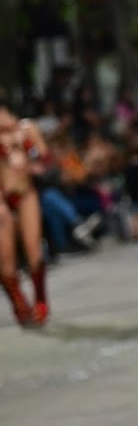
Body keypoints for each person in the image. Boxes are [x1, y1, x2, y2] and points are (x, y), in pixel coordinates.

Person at [0, 97, 52, 327]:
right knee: (6, 257)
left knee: (34, 249)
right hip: (2, 197)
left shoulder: (27, 128)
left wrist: (29, 159)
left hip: (26, 192)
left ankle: (40, 300)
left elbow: (46, 159)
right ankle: (18, 303)